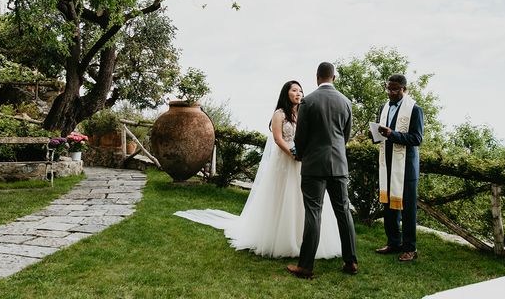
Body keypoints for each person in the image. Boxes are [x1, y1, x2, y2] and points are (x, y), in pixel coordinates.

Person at [174, 80, 342, 259]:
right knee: (283, 197)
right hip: (285, 160)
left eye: (300, 91)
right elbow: (278, 139)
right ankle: (281, 238)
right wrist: (292, 154)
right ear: (286, 93)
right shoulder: (279, 114)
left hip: (304, 161)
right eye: (294, 90)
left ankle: (304, 239)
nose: (298, 93)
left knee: (302, 199)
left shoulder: (303, 112)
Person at [287, 62, 358, 279]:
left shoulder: (309, 100)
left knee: (313, 213)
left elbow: (300, 137)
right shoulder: (346, 102)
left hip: (314, 165)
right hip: (338, 164)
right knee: (343, 212)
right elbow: (345, 136)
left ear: (317, 77)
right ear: (333, 77)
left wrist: (302, 153)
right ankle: (351, 261)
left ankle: (306, 266)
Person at [375, 74, 424, 262]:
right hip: (387, 164)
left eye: (395, 89)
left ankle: (410, 248)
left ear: (404, 89)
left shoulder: (415, 109)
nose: (391, 93)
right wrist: (375, 135)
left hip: (406, 168)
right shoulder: (384, 107)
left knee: (408, 209)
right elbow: (382, 134)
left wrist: (392, 134)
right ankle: (394, 242)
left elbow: (417, 139)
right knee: (389, 206)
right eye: (389, 88)